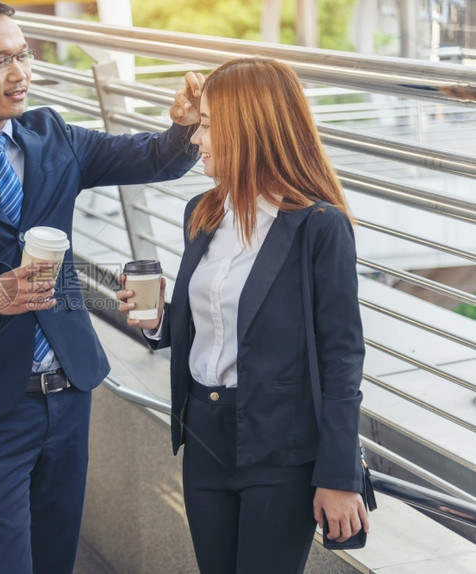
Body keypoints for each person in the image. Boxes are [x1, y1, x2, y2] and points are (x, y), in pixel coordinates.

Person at [0, 1, 203, 571]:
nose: (20, 73)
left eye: (22, 54)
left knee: (55, 560)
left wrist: (186, 125)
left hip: (70, 393)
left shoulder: (53, 137)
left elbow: (154, 158)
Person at [117, 57, 368, 574]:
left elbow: (342, 355)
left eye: (207, 125)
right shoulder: (202, 213)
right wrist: (160, 321)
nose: (196, 138)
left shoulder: (319, 227)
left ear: (250, 128)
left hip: (280, 448)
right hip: (204, 436)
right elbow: (217, 323)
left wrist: (338, 474)